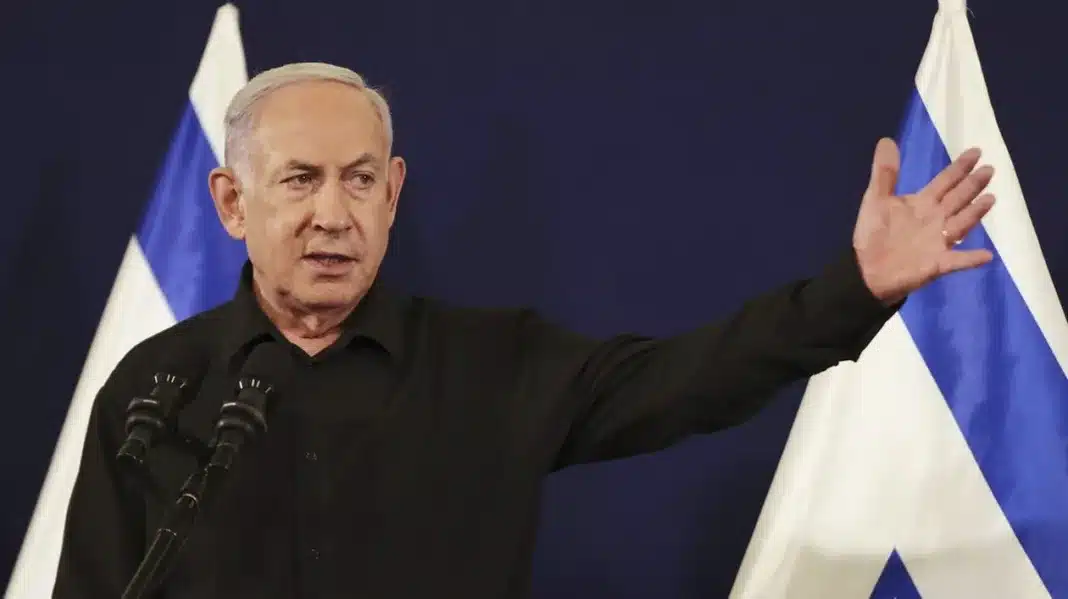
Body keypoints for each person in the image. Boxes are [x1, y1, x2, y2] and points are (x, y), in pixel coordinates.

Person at [52, 62, 996, 599]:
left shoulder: (492, 364)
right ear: (231, 202)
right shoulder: (158, 388)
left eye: (361, 179)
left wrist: (854, 290)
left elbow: (694, 377)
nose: (333, 213)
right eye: (300, 180)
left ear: (393, 194)